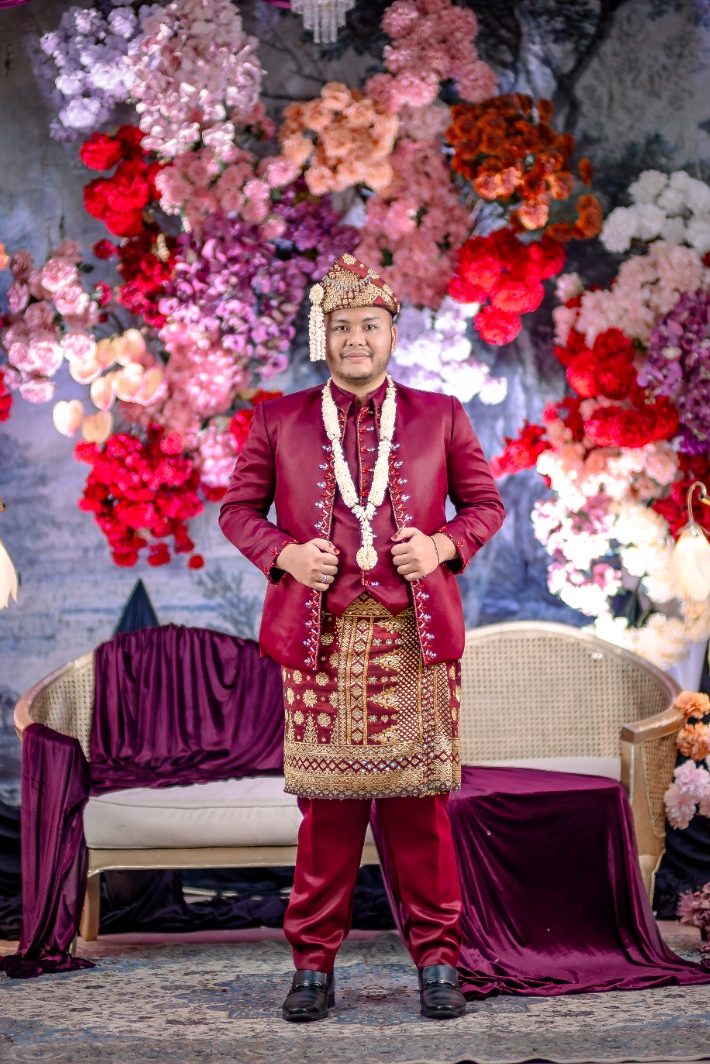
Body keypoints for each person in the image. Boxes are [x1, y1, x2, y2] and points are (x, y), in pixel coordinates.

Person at [219, 253, 505, 1022]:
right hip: (321, 642)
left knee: (421, 816)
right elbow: (237, 512)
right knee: (327, 819)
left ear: (391, 333)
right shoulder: (278, 418)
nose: (355, 339)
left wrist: (441, 547)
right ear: (325, 335)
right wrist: (285, 554)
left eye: (369, 325)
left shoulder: (440, 414)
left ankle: (439, 963)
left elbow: (486, 505)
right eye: (341, 326)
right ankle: (312, 967)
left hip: (415, 640)